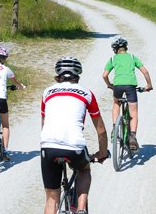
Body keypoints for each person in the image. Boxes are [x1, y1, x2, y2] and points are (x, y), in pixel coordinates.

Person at [40, 57, 108, 214]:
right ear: (78, 75)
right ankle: (82, 208)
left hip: (48, 146)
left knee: (51, 199)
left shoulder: (47, 92)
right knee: (84, 169)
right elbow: (101, 130)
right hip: (74, 146)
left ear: (58, 75)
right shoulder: (86, 93)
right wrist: (102, 152)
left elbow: (43, 125)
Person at [102, 37, 153, 150]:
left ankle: (115, 129)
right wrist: (148, 85)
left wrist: (110, 85)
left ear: (114, 49)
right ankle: (133, 137)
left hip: (118, 86)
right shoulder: (132, 57)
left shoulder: (112, 58)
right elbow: (145, 71)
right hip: (130, 86)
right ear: (126, 47)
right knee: (133, 112)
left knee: (116, 104)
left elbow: (104, 75)